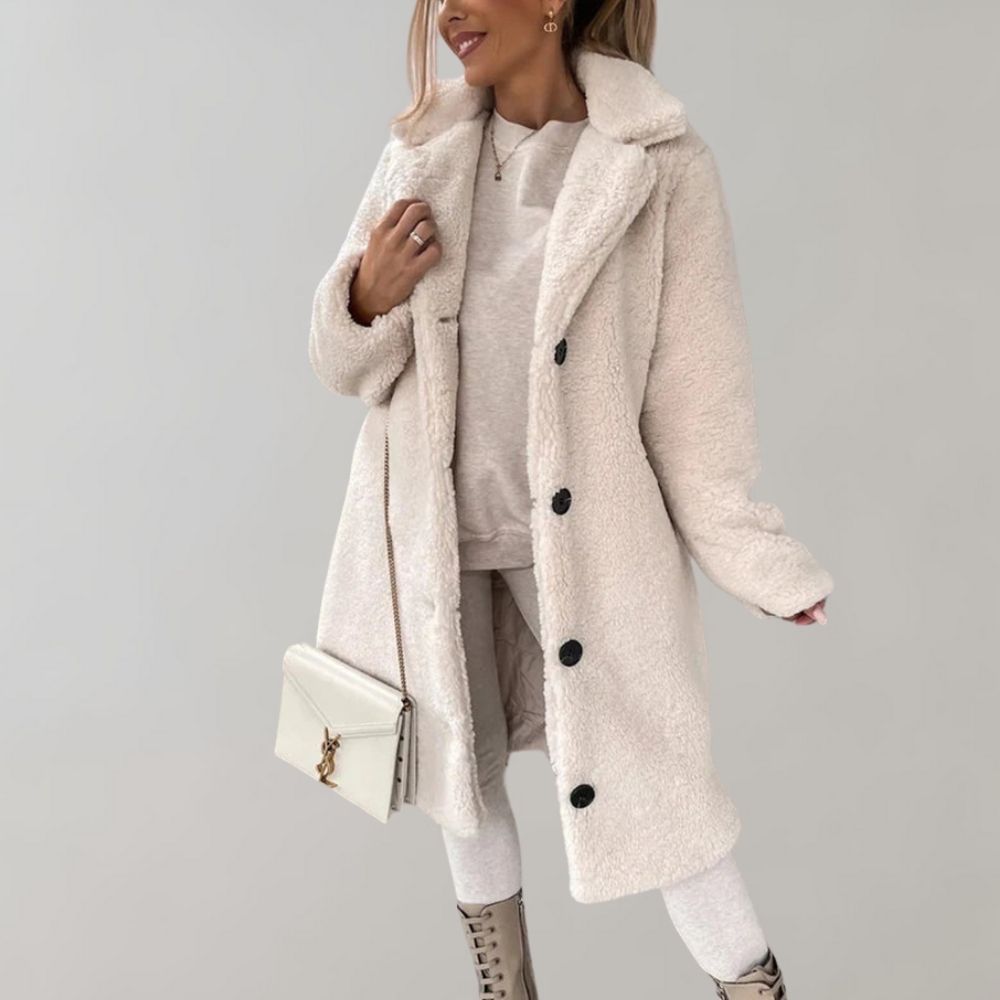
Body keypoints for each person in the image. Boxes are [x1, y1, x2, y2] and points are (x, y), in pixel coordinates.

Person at [308, 2, 833, 997]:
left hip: (588, 547)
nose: (449, 14)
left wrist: (754, 556)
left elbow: (698, 401)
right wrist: (367, 296)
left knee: (661, 791)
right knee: (462, 785)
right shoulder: (421, 152)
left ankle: (753, 987)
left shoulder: (659, 166)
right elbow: (342, 364)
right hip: (434, 542)